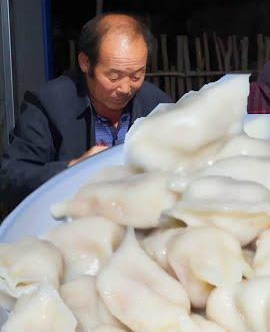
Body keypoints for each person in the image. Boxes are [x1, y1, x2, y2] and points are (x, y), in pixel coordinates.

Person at [0, 12, 171, 210]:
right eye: (114, 77)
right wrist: (72, 170)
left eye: (136, 76)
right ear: (85, 63)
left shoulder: (156, 105)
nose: (126, 88)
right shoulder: (49, 104)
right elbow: (9, 178)